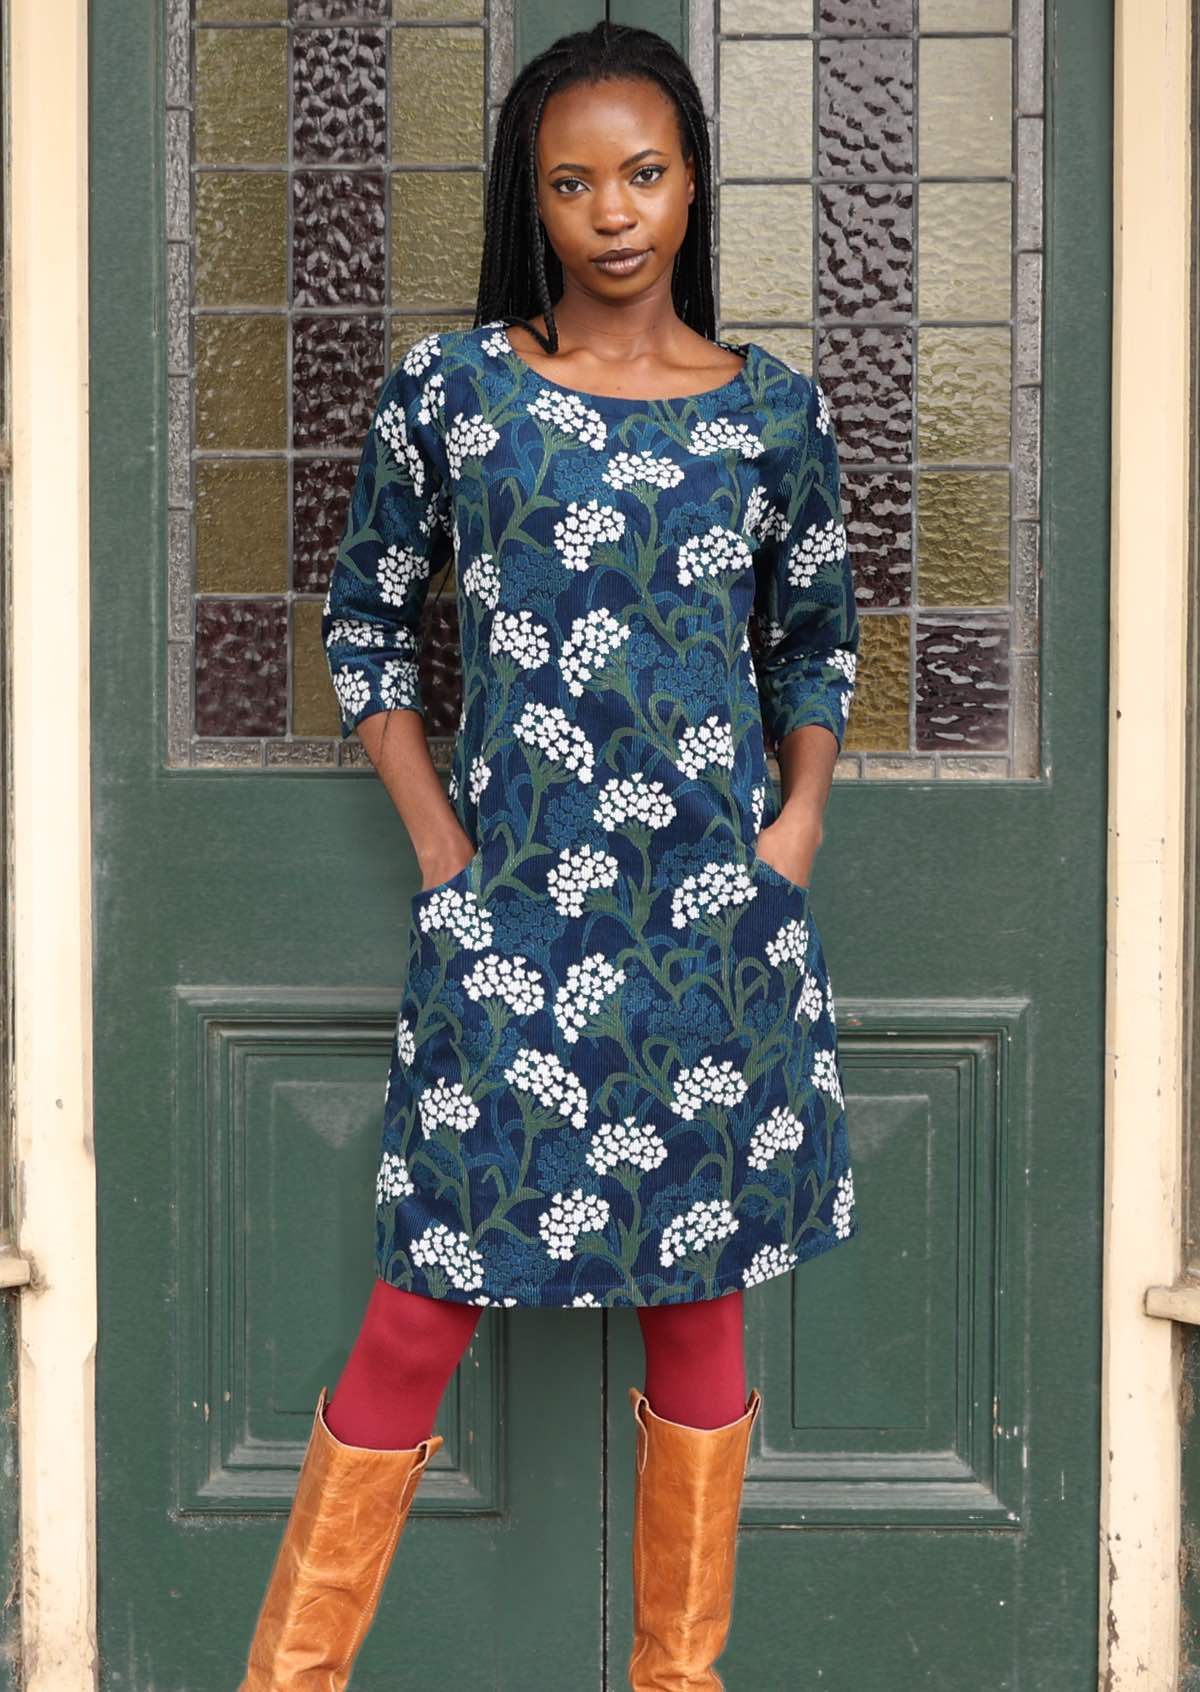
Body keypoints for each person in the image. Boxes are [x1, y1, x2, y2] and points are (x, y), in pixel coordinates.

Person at [237, 18, 860, 1691]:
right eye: (575, 180)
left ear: (689, 186)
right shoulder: (453, 397)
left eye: (645, 173)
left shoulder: (772, 418)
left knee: (705, 1300)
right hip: (511, 924)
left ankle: (678, 1677)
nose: (613, 212)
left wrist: (794, 827)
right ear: (532, 194)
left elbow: (817, 643)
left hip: (717, 932)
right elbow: (363, 623)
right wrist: (441, 842)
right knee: (424, 1293)